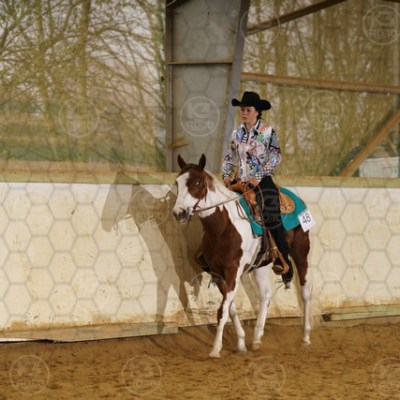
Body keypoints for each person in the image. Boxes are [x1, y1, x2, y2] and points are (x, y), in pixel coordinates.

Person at [222, 91, 293, 284]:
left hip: (262, 181)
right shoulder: (236, 134)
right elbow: (229, 158)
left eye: (248, 110)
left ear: (257, 112)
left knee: (271, 213)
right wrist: (226, 176)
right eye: (242, 110)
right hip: (239, 182)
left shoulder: (267, 132)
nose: (244, 113)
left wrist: (259, 176)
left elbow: (275, 157)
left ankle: (284, 261)